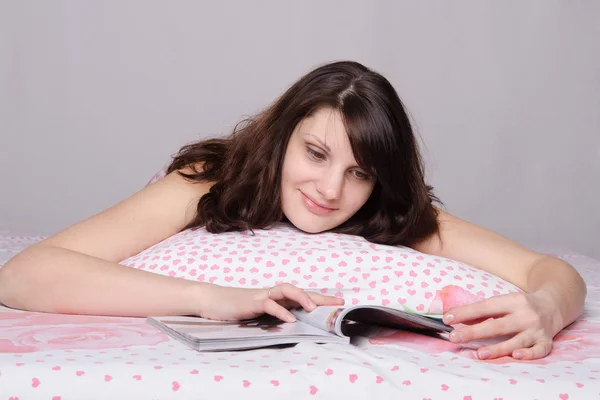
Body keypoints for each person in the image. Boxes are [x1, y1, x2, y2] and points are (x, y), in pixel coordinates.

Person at [0, 61, 586, 361]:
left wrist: (544, 307)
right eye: (315, 153)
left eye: (360, 173)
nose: (330, 190)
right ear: (283, 137)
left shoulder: (398, 214)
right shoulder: (211, 180)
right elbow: (26, 274)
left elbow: (552, 272)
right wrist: (215, 300)